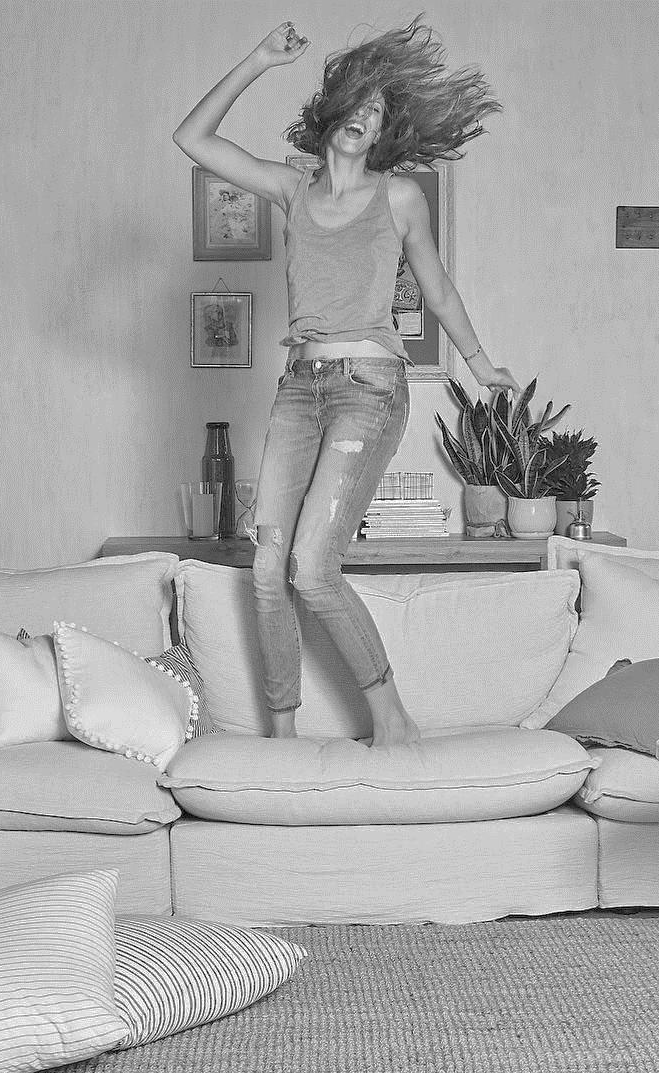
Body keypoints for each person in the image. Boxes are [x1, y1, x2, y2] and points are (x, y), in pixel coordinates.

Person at [173, 17, 521, 747]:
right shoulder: (289, 188)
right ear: (331, 113)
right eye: (358, 104)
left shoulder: (399, 198)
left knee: (311, 567)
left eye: (379, 112)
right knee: (267, 568)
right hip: (297, 391)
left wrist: (480, 363)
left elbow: (438, 289)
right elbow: (192, 138)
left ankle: (392, 718)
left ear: (385, 132)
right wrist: (258, 59)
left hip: (369, 389)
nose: (366, 117)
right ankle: (283, 738)